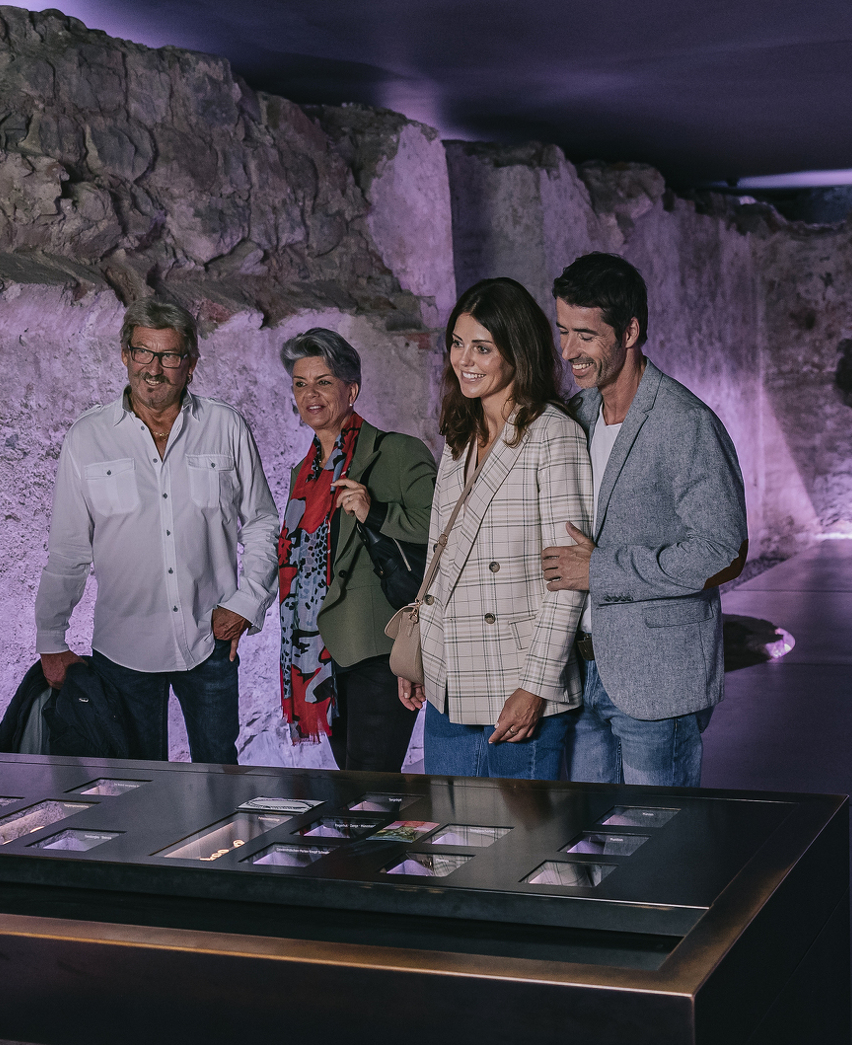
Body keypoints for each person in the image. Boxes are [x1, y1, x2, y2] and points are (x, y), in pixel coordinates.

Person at [36, 301, 280, 763]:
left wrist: (247, 602)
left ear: (190, 363)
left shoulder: (224, 426)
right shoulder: (88, 438)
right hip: (123, 651)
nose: (154, 369)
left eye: (169, 356)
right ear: (124, 355)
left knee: (219, 775)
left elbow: (263, 521)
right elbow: (68, 550)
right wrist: (50, 640)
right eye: (143, 353)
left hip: (209, 643)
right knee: (136, 786)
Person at [542, 253, 748, 786]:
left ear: (630, 330)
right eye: (563, 332)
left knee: (662, 851)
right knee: (593, 854)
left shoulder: (686, 423)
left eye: (585, 336)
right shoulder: (576, 415)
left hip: (658, 681)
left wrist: (603, 571)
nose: (569, 352)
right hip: (581, 673)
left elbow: (724, 552)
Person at [398, 279, 593, 779]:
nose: (464, 359)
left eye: (482, 348)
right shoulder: (461, 435)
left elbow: (567, 581)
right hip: (447, 680)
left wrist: (535, 688)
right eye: (458, 344)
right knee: (451, 843)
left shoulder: (554, 435)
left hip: (516, 687)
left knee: (523, 847)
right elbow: (440, 562)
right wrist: (421, 654)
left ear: (517, 352)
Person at [275, 327, 436, 772]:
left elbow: (444, 531)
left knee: (372, 790)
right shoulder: (302, 475)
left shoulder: (397, 452)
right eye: (300, 383)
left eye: (324, 382)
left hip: (376, 651)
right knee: (352, 791)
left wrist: (377, 513)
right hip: (320, 657)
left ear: (352, 390)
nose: (311, 394)